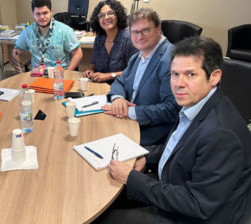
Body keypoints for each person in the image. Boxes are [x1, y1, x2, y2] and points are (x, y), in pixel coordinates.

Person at [107, 37, 251, 223]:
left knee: (106, 215)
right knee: (107, 194)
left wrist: (132, 178)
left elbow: (197, 204)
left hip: (190, 215)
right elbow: (177, 149)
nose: (178, 83)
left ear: (214, 77)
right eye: (174, 74)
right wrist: (143, 155)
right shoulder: (196, 103)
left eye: (190, 74)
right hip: (172, 188)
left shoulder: (221, 134)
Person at [102, 8, 180, 146]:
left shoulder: (171, 60)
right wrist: (118, 98)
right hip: (128, 122)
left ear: (158, 28)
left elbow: (172, 109)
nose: (140, 37)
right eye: (135, 32)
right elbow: (119, 82)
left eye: (145, 30)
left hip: (151, 134)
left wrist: (131, 112)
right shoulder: (137, 56)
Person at [11, 0, 83, 73]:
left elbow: (78, 54)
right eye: (38, 14)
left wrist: (67, 73)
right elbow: (16, 52)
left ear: (51, 11)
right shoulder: (27, 32)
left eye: (45, 13)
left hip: (59, 75)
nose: (42, 17)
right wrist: (20, 74)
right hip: (36, 75)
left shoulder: (65, 31)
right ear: (32, 14)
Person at [83, 0, 138, 84]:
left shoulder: (129, 40)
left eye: (110, 13)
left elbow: (134, 71)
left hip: (122, 87)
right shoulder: (99, 39)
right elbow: (94, 63)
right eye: (102, 15)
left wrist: (108, 76)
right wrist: (91, 70)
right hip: (101, 85)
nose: (106, 17)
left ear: (117, 15)